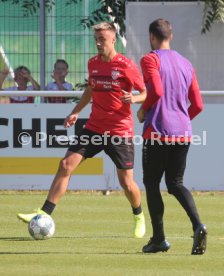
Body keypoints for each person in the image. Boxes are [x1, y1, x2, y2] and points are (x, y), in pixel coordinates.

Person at [18, 22, 147, 239]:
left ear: (113, 40)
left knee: (126, 182)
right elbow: (90, 89)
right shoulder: (93, 64)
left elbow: (145, 92)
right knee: (65, 165)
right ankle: (44, 213)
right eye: (96, 39)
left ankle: (138, 215)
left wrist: (134, 98)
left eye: (102, 39)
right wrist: (76, 111)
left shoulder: (126, 65)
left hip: (119, 131)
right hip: (94, 128)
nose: (98, 43)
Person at [137, 18, 207, 254]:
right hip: (183, 133)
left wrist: (143, 110)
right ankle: (198, 225)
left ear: (152, 37)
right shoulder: (186, 63)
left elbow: (156, 90)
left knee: (151, 183)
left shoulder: (150, 58)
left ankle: (158, 239)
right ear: (171, 36)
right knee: (175, 183)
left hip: (157, 130)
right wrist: (181, 120)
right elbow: (197, 105)